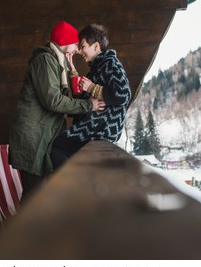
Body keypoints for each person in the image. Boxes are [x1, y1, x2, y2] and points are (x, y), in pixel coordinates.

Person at [9, 21, 105, 200]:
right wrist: (88, 106)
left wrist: (71, 70)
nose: (77, 50)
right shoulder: (45, 60)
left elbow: (61, 99)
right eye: (75, 45)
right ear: (64, 42)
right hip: (33, 140)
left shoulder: (56, 62)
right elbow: (53, 101)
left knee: (46, 195)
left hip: (44, 138)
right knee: (34, 197)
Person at [51, 23, 131, 169]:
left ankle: (70, 187)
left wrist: (92, 88)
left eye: (82, 47)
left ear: (95, 46)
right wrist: (72, 71)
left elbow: (123, 94)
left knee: (58, 147)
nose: (80, 51)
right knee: (59, 147)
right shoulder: (97, 68)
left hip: (101, 131)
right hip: (93, 128)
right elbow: (83, 101)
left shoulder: (111, 63)